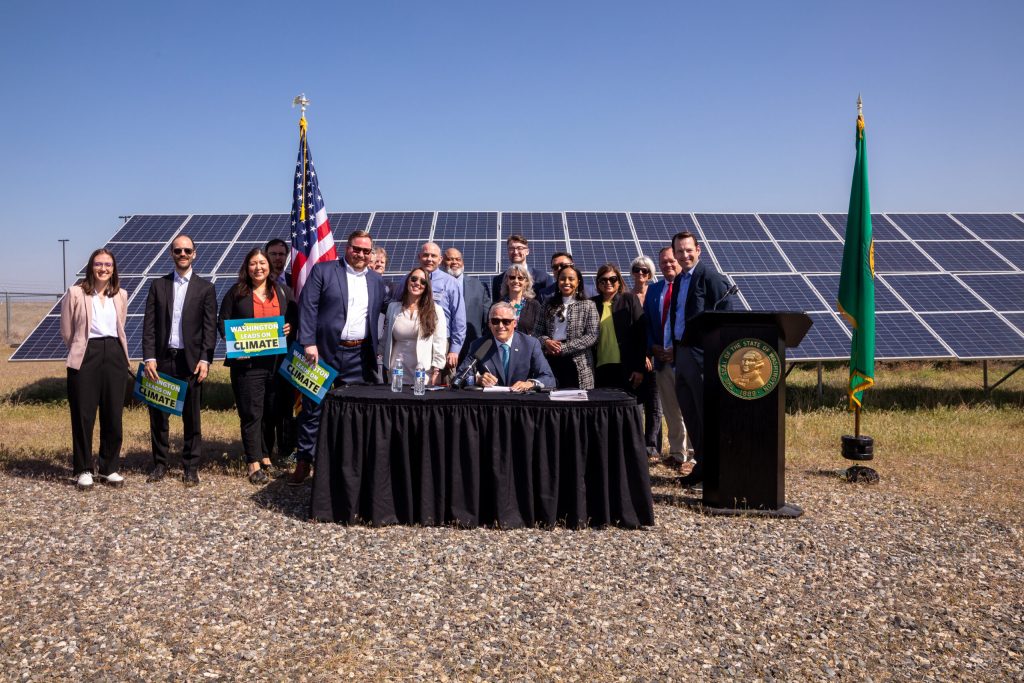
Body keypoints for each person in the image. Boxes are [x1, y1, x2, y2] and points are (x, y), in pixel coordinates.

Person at [293, 230, 389, 484]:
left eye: (366, 251)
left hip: (359, 354)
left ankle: (351, 461)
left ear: (371, 254)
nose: (360, 254)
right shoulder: (324, 271)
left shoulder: (377, 281)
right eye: (356, 249)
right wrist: (308, 343)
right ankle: (305, 460)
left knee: (355, 410)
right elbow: (308, 306)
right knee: (312, 408)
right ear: (347, 248)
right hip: (322, 352)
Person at [142, 234, 218, 487]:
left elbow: (209, 328)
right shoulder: (158, 286)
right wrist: (149, 357)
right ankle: (160, 464)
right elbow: (149, 326)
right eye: (178, 251)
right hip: (163, 361)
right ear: (171, 254)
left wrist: (206, 359)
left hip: (191, 362)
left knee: (192, 417)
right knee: (158, 416)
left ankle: (190, 467)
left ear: (194, 254)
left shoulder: (205, 288)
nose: (182, 254)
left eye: (187, 250)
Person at [218, 248, 298, 485]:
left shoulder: (283, 291)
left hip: (276, 364)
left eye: (262, 263)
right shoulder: (236, 293)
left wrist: (290, 327)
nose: (258, 267)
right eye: (253, 263)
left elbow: (294, 317)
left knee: (271, 413)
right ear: (247, 267)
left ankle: (266, 456)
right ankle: (253, 463)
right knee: (252, 413)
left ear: (269, 266)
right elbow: (222, 324)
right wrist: (234, 344)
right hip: (247, 366)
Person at [60, 248, 132, 490]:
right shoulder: (76, 293)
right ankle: (83, 469)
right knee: (83, 414)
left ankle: (109, 468)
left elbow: (120, 325)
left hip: (114, 354)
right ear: (91, 266)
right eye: (99, 264)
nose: (103, 269)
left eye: (108, 265)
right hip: (85, 355)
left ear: (114, 269)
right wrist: (81, 348)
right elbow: (67, 330)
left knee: (113, 414)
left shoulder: (121, 294)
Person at [669, 231, 736, 487]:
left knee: (705, 412)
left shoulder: (711, 279)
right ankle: (702, 466)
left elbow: (726, 315)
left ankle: (717, 471)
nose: (684, 255)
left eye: (688, 250)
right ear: (674, 253)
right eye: (679, 251)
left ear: (698, 250)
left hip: (702, 355)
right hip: (682, 353)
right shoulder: (679, 281)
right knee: (690, 412)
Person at [643, 246, 692, 465]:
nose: (668, 265)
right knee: (671, 410)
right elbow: (648, 323)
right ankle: (676, 453)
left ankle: (694, 454)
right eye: (663, 262)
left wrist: (678, 349)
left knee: (691, 408)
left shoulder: (688, 287)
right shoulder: (654, 290)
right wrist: (653, 347)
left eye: (671, 261)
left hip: (685, 359)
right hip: (661, 360)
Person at [456, 302, 555, 391]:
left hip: (521, 403)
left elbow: (548, 378)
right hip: (490, 404)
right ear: (490, 324)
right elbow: (458, 378)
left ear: (514, 323)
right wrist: (476, 379)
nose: (500, 326)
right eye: (495, 321)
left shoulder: (530, 344)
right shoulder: (478, 345)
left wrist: (530, 384)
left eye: (506, 321)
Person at [380, 267, 448, 385]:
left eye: (423, 281)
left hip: (423, 371)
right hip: (397, 369)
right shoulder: (393, 308)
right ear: (407, 281)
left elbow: (440, 342)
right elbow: (385, 338)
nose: (417, 283)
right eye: (414, 279)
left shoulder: (436, 310)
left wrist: (437, 370)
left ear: (427, 287)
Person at [535, 265, 599, 389]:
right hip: (551, 359)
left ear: (578, 282)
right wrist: (546, 341)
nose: (566, 282)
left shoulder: (588, 305)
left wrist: (564, 348)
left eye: (571, 279)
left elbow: (592, 336)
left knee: (579, 402)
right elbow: (537, 332)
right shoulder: (548, 304)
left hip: (579, 363)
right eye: (563, 279)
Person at [590, 263, 648, 394]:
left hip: (626, 366)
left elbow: (641, 334)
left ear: (619, 281)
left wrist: (639, 368)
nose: (608, 282)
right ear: (598, 283)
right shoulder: (592, 303)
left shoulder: (629, 299)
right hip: (600, 366)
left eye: (612, 279)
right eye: (603, 280)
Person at [263, 238, 297, 459]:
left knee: (287, 405)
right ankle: (265, 450)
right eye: (273, 254)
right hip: (262, 355)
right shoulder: (255, 283)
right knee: (267, 405)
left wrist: (291, 326)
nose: (278, 258)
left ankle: (286, 451)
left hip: (289, 352)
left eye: (281, 254)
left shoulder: (297, 280)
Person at [630, 254, 663, 458]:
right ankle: (635, 444)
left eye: (645, 270)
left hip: (655, 356)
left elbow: (658, 327)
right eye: (637, 269)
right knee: (636, 403)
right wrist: (640, 356)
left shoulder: (656, 295)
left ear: (650, 274)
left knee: (654, 403)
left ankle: (652, 446)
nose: (641, 273)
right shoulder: (626, 295)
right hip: (634, 357)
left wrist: (650, 353)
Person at [416, 242, 466, 370]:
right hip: (414, 340)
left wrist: (454, 349)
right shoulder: (408, 280)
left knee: (444, 387)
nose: (429, 259)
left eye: (433, 256)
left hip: (443, 343)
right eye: (426, 255)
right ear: (419, 257)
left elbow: (459, 318)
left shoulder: (451, 283)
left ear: (440, 259)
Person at [442, 247, 490, 358]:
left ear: (463, 262)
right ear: (442, 262)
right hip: (443, 346)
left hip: (472, 346)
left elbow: (487, 318)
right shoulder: (435, 284)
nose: (454, 262)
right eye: (450, 259)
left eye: (458, 259)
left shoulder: (479, 286)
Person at [498, 264, 542, 336]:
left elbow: (540, 331)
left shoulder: (534, 306)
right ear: (507, 280)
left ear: (526, 282)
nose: (516, 281)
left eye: (520, 278)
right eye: (512, 277)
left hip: (527, 346)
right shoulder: (498, 305)